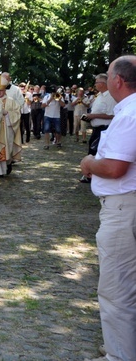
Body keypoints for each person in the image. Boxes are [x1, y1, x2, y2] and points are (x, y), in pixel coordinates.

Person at [79, 55, 136, 361]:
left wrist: (89, 163)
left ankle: (119, 355)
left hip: (123, 208)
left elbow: (115, 168)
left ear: (117, 81)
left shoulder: (129, 114)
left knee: (117, 286)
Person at [0, 75, 22, 175]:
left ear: (5, 90)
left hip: (7, 128)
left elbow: (17, 113)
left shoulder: (11, 101)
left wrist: (8, 114)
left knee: (6, 147)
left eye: (1, 90)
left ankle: (5, 167)